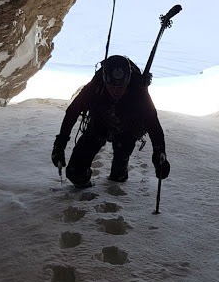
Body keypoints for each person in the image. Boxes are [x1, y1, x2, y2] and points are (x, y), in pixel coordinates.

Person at [51, 55, 170, 188]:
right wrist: (59, 145)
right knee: (75, 173)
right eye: (111, 86)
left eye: (121, 87)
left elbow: (153, 123)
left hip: (128, 129)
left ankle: (119, 175)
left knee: (118, 174)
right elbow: (72, 112)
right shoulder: (95, 86)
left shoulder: (138, 91)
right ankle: (85, 182)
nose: (116, 91)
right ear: (104, 80)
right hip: (99, 124)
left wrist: (159, 153)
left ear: (129, 81)